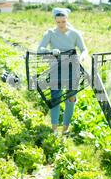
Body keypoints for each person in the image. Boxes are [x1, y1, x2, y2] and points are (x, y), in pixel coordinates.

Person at [37, 8, 88, 136]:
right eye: (58, 22)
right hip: (56, 67)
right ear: (55, 20)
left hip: (73, 67)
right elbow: (40, 48)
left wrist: (82, 56)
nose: (61, 25)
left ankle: (65, 129)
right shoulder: (50, 33)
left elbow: (84, 49)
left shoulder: (75, 33)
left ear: (67, 19)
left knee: (71, 97)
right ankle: (54, 129)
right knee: (56, 97)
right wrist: (50, 51)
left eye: (63, 21)